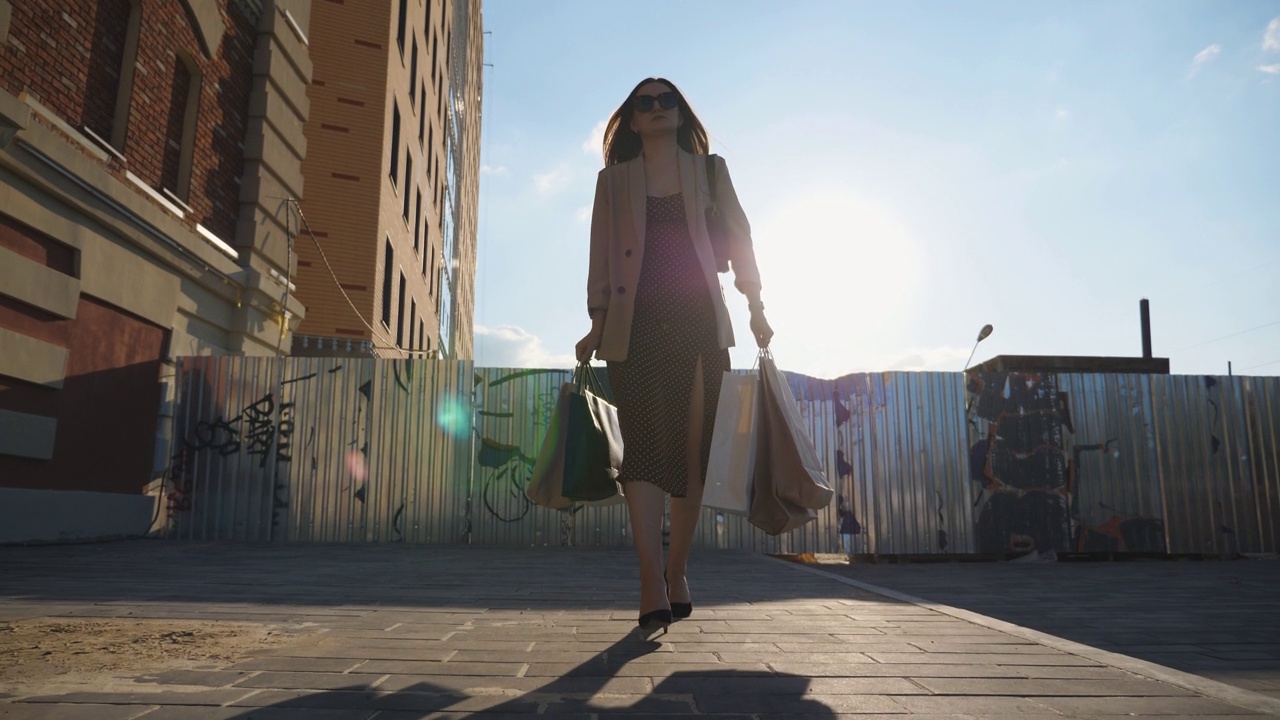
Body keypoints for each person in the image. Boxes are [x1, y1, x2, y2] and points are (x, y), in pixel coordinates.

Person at [575, 78, 772, 637]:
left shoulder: (710, 171)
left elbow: (741, 237)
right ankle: (648, 580)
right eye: (647, 102)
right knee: (642, 450)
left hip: (698, 322)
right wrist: (595, 323)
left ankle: (677, 569)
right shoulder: (612, 183)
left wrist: (756, 304)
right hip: (633, 327)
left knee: (690, 452)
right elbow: (601, 253)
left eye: (668, 101)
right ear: (632, 120)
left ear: (681, 114)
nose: (658, 108)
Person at [836, 494, 861, 562]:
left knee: (847, 543)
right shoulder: (847, 511)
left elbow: (841, 513)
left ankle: (850, 556)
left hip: (847, 529)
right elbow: (841, 512)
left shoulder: (849, 510)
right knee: (847, 543)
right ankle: (850, 556)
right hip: (848, 529)